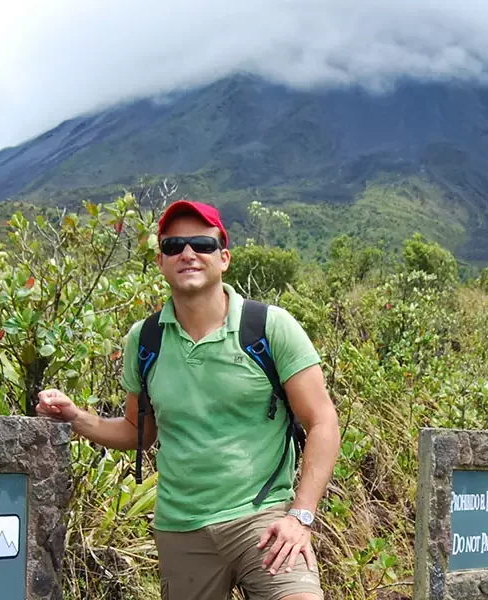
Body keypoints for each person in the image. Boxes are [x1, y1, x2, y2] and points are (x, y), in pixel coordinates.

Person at [38, 200, 340, 600]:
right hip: (181, 530)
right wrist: (74, 416)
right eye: (173, 245)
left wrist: (300, 516)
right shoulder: (144, 341)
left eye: (202, 243)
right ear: (161, 262)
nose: (187, 253)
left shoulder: (268, 328)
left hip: (264, 520)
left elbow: (323, 421)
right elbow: (137, 431)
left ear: (224, 258)